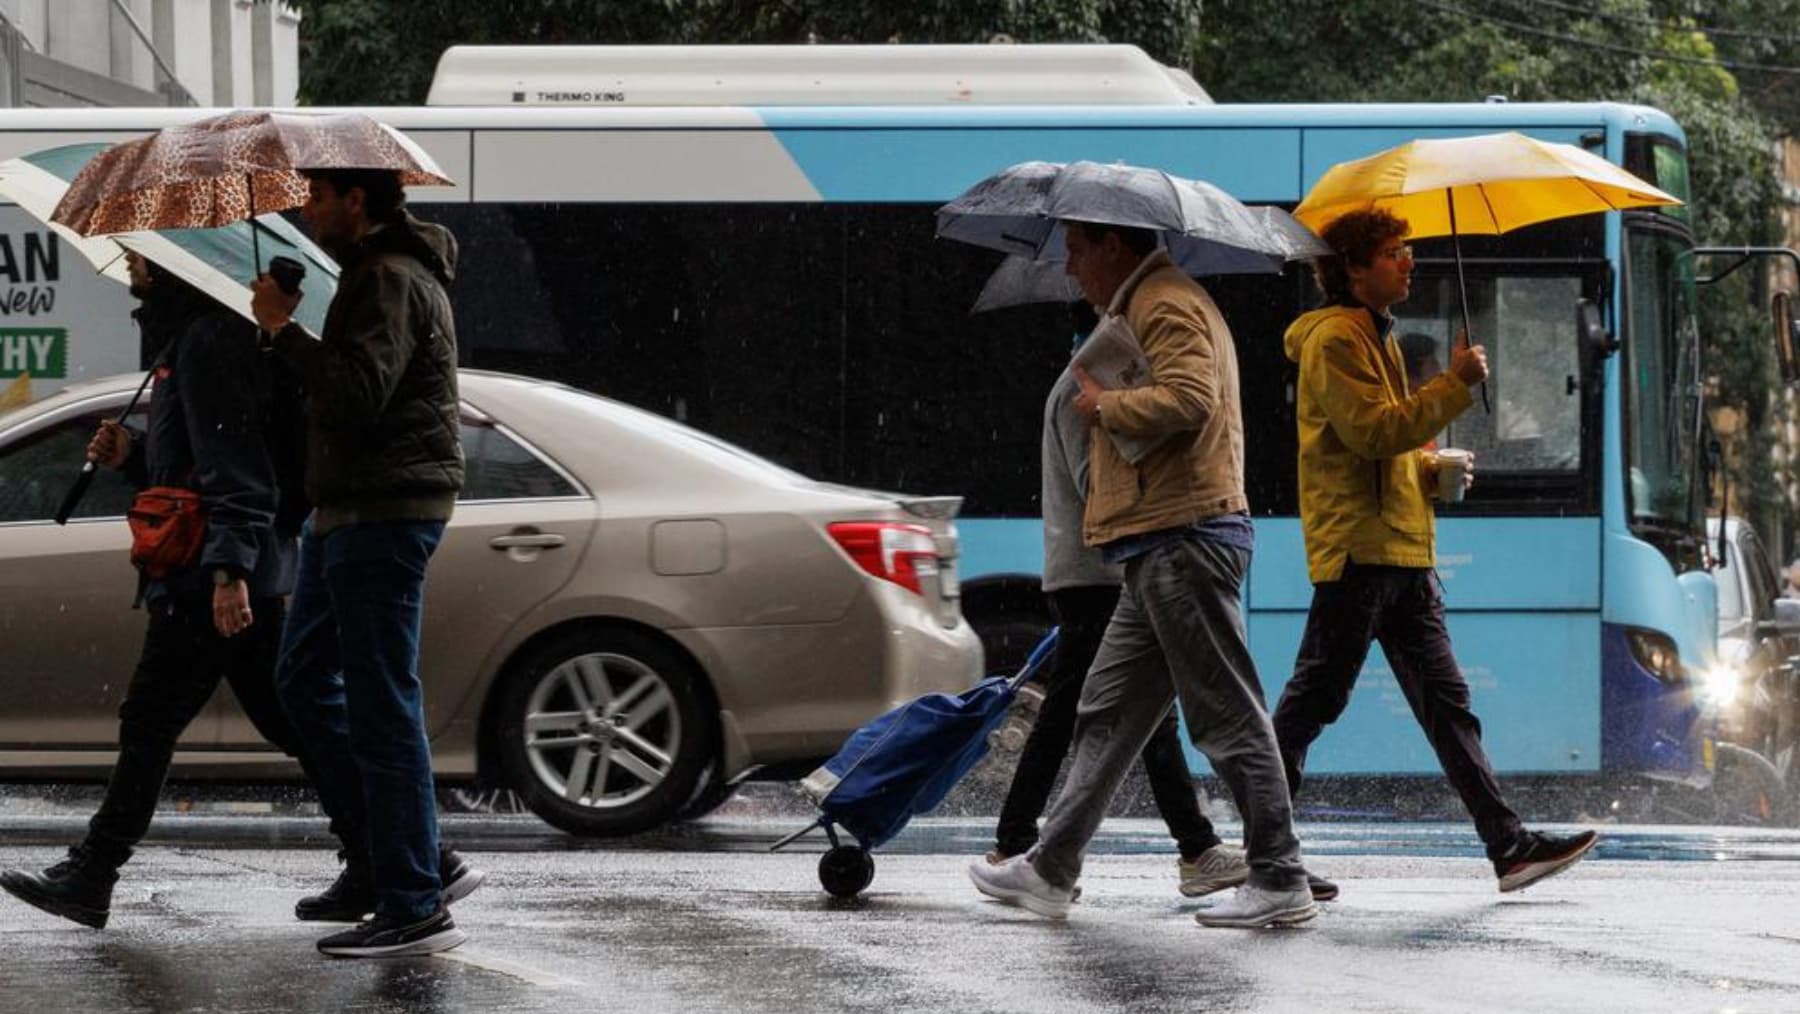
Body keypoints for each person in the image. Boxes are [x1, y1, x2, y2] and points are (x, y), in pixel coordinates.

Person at [967, 222, 1314, 929]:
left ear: (1115, 246)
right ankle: (1052, 868)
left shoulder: (1164, 301)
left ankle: (1279, 875)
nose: (1070, 265)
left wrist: (1104, 406)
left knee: (1225, 715)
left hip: (1183, 537)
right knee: (1108, 710)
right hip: (1156, 543)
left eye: (1078, 249)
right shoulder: (1148, 301)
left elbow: (1192, 401)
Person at [0, 253, 350, 929]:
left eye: (139, 256)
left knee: (157, 719)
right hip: (215, 562)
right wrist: (132, 458)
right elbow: (193, 468)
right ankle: (394, 851)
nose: (130, 261)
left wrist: (229, 571)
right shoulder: (188, 339)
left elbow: (239, 469)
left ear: (166, 268)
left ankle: (93, 873)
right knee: (290, 718)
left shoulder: (211, 341)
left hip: (209, 571)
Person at [1273, 209, 1598, 897]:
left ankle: (1508, 847)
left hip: (1402, 549)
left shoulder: (1375, 334)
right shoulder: (1335, 339)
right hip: (1360, 552)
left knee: (1447, 704)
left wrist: (1428, 470)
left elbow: (1385, 449)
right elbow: (1369, 433)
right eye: (1394, 252)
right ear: (1354, 268)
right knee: (1314, 702)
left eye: (1410, 250)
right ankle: (1264, 851)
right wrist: (1451, 385)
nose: (1410, 262)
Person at [250, 167, 468, 958]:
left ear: (356, 201)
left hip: (385, 510)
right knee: (304, 680)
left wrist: (284, 331)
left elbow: (355, 396)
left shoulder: (389, 278)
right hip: (345, 510)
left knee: (382, 702)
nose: (304, 209)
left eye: (315, 196)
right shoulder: (370, 276)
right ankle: (384, 860)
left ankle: (414, 897)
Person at [982, 300, 1250, 899]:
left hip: (1095, 573)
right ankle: (1023, 841)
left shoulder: (1083, 387)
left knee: (1136, 715)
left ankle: (1186, 846)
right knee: (1119, 716)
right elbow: (1093, 485)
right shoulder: (1080, 395)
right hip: (1095, 574)